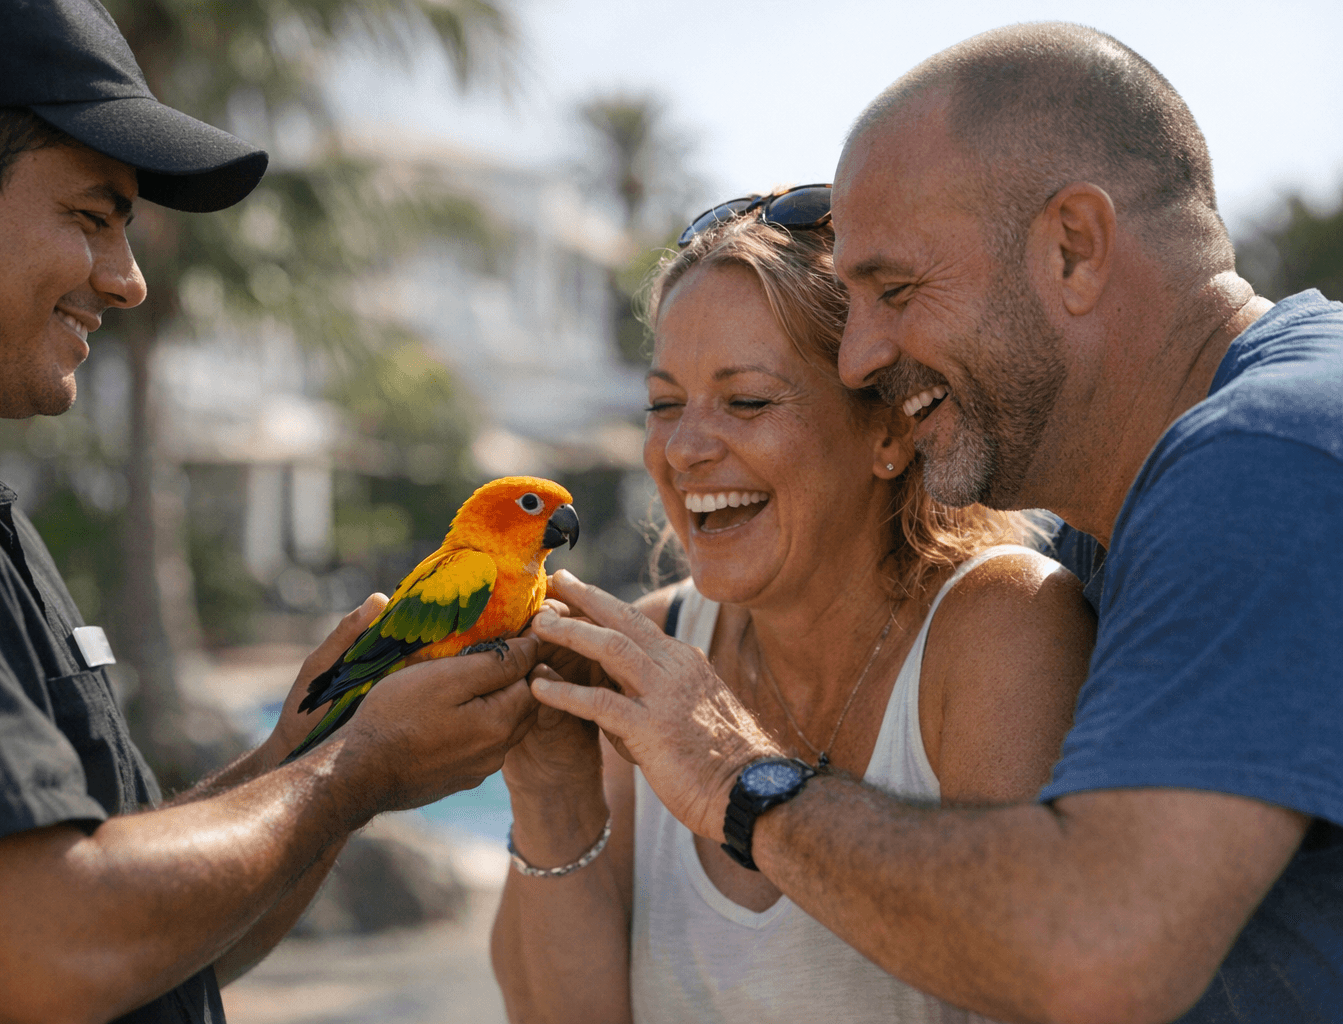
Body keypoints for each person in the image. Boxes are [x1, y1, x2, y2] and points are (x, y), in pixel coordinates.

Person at [525, 22, 1343, 1024]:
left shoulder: (1269, 453)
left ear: (1073, 247)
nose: (862, 357)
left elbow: (1094, 956)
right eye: (665, 401)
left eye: (896, 290)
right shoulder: (1119, 528)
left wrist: (733, 774)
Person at [0, 3, 538, 1022]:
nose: (130, 279)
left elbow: (138, 935)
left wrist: (305, 747)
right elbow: (44, 947)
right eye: (91, 217)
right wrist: (350, 769)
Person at [492, 197, 1094, 1022]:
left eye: (746, 403)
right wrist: (550, 785)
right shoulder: (652, 644)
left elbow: (1040, 979)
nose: (684, 448)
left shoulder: (999, 624)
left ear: (887, 432)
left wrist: (735, 778)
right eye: (665, 404)